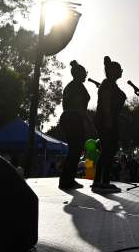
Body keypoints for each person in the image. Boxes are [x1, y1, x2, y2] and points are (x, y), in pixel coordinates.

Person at [93, 56, 126, 193]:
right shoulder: (107, 84)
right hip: (106, 120)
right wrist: (108, 119)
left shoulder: (110, 84)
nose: (121, 72)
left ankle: (99, 181)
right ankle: (103, 182)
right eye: (119, 69)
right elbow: (106, 103)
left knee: (108, 150)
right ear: (113, 71)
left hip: (109, 119)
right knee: (108, 149)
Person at [59, 60, 90, 190]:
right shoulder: (76, 86)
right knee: (75, 150)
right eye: (84, 73)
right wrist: (87, 119)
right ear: (78, 74)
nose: (86, 75)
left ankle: (67, 179)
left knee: (75, 150)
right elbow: (78, 106)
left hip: (69, 118)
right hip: (73, 118)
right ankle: (67, 180)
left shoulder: (72, 86)